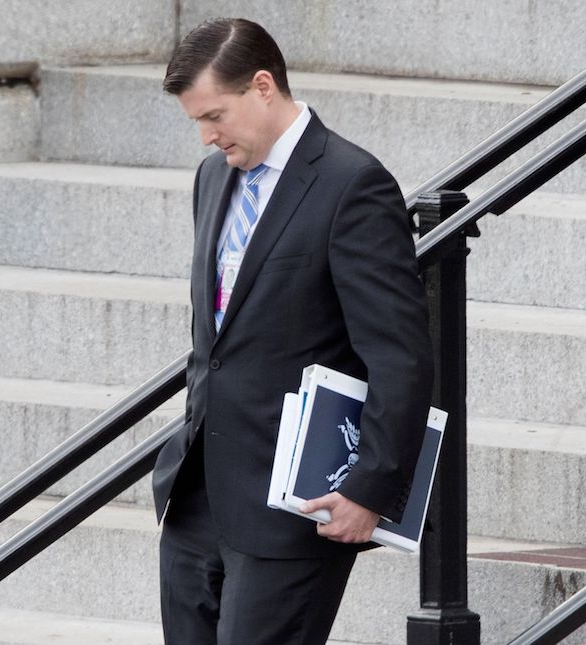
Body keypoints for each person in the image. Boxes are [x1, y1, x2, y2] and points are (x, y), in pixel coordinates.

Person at [151, 17, 434, 645]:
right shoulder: (214, 177)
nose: (205, 136)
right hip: (197, 497)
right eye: (196, 121)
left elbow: (400, 354)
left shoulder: (351, 184)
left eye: (214, 116)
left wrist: (371, 487)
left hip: (292, 511)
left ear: (261, 86)